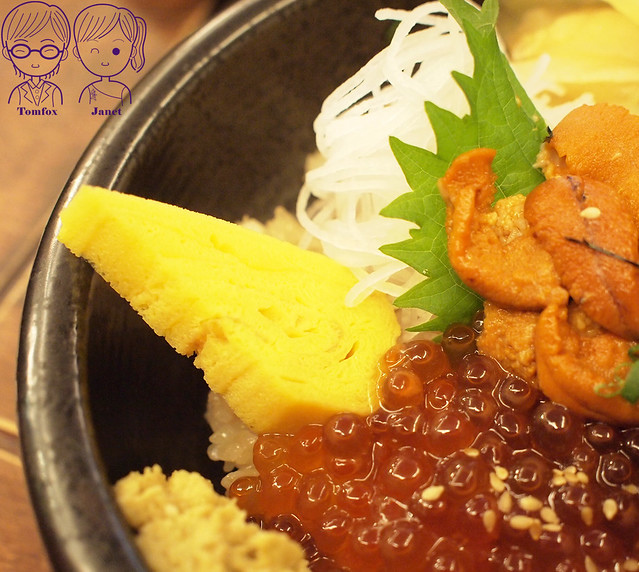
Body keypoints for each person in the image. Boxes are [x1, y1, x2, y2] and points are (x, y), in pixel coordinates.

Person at [73, 3, 146, 106]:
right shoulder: (88, 91)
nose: (105, 61)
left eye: (116, 51)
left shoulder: (125, 91)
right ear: (77, 52)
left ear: (132, 51)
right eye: (95, 51)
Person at [1, 1, 71, 107]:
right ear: (7, 53)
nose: (35, 60)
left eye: (48, 51)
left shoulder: (55, 91)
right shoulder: (17, 92)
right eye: (21, 50)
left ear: (63, 53)